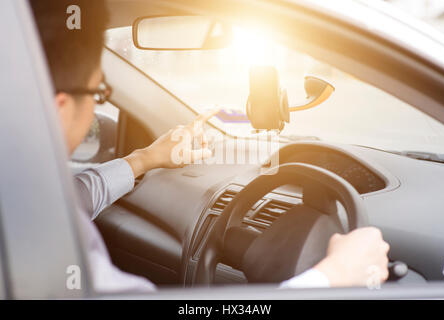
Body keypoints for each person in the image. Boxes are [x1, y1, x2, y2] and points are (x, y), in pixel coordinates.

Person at [30, 0, 390, 293]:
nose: (97, 105)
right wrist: (335, 277)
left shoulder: (25, 196)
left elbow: (71, 198)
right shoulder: (41, 237)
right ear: (59, 108)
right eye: (99, 93)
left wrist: (145, 159)